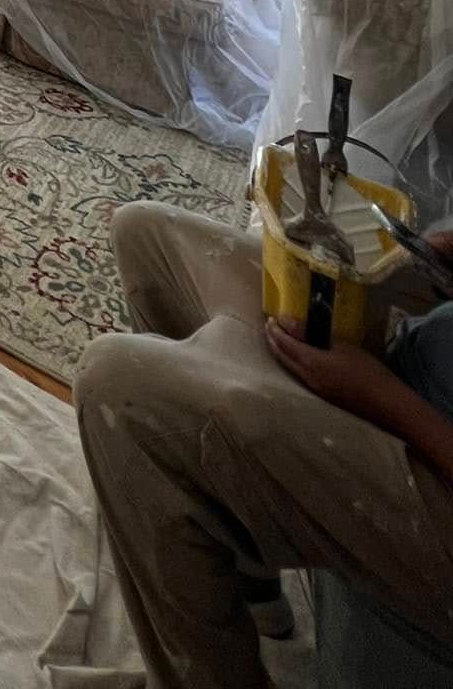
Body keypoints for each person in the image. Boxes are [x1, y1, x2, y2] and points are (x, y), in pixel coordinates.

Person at [74, 200, 453, 687]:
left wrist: (378, 394)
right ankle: (248, 576)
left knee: (118, 390)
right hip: (428, 362)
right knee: (145, 235)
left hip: (433, 456)